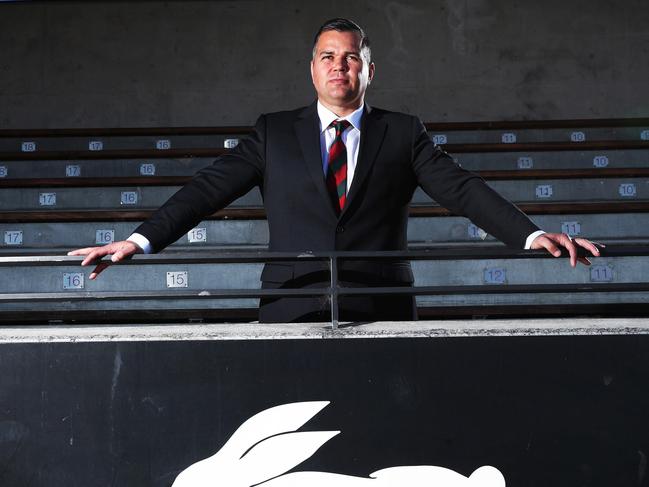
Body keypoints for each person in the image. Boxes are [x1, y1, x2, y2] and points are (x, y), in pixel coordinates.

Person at [69, 18, 601, 322]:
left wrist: (530, 235)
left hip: (381, 302)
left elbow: (462, 189)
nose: (338, 66)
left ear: (369, 69)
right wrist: (138, 241)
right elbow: (208, 190)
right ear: (312, 68)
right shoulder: (274, 132)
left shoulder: (403, 131)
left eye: (349, 57)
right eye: (327, 56)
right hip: (291, 304)